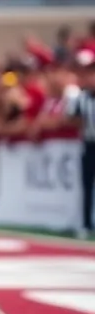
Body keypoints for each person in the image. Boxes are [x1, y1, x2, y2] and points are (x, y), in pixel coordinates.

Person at [66, 51, 95, 239]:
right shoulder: (81, 97)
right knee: (87, 185)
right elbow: (72, 119)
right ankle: (85, 222)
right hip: (89, 144)